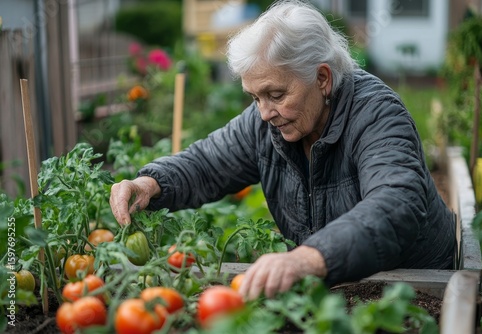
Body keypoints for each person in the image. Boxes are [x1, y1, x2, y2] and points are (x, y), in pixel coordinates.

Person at [110, 0, 456, 300]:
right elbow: (208, 163)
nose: (264, 112)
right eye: (254, 97)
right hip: (339, 286)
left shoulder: (376, 114)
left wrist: (308, 257)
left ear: (322, 79)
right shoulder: (267, 122)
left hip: (416, 287)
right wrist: (151, 183)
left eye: (276, 95)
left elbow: (395, 205)